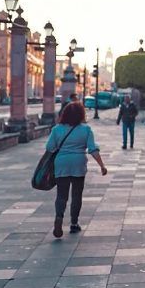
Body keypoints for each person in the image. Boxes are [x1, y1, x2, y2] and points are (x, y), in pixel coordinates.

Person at [45, 101, 107, 237]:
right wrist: (102, 165)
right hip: (78, 163)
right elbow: (93, 149)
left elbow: (49, 147)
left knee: (61, 195)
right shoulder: (86, 130)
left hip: (61, 162)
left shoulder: (57, 129)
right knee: (76, 195)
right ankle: (74, 223)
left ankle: (59, 218)